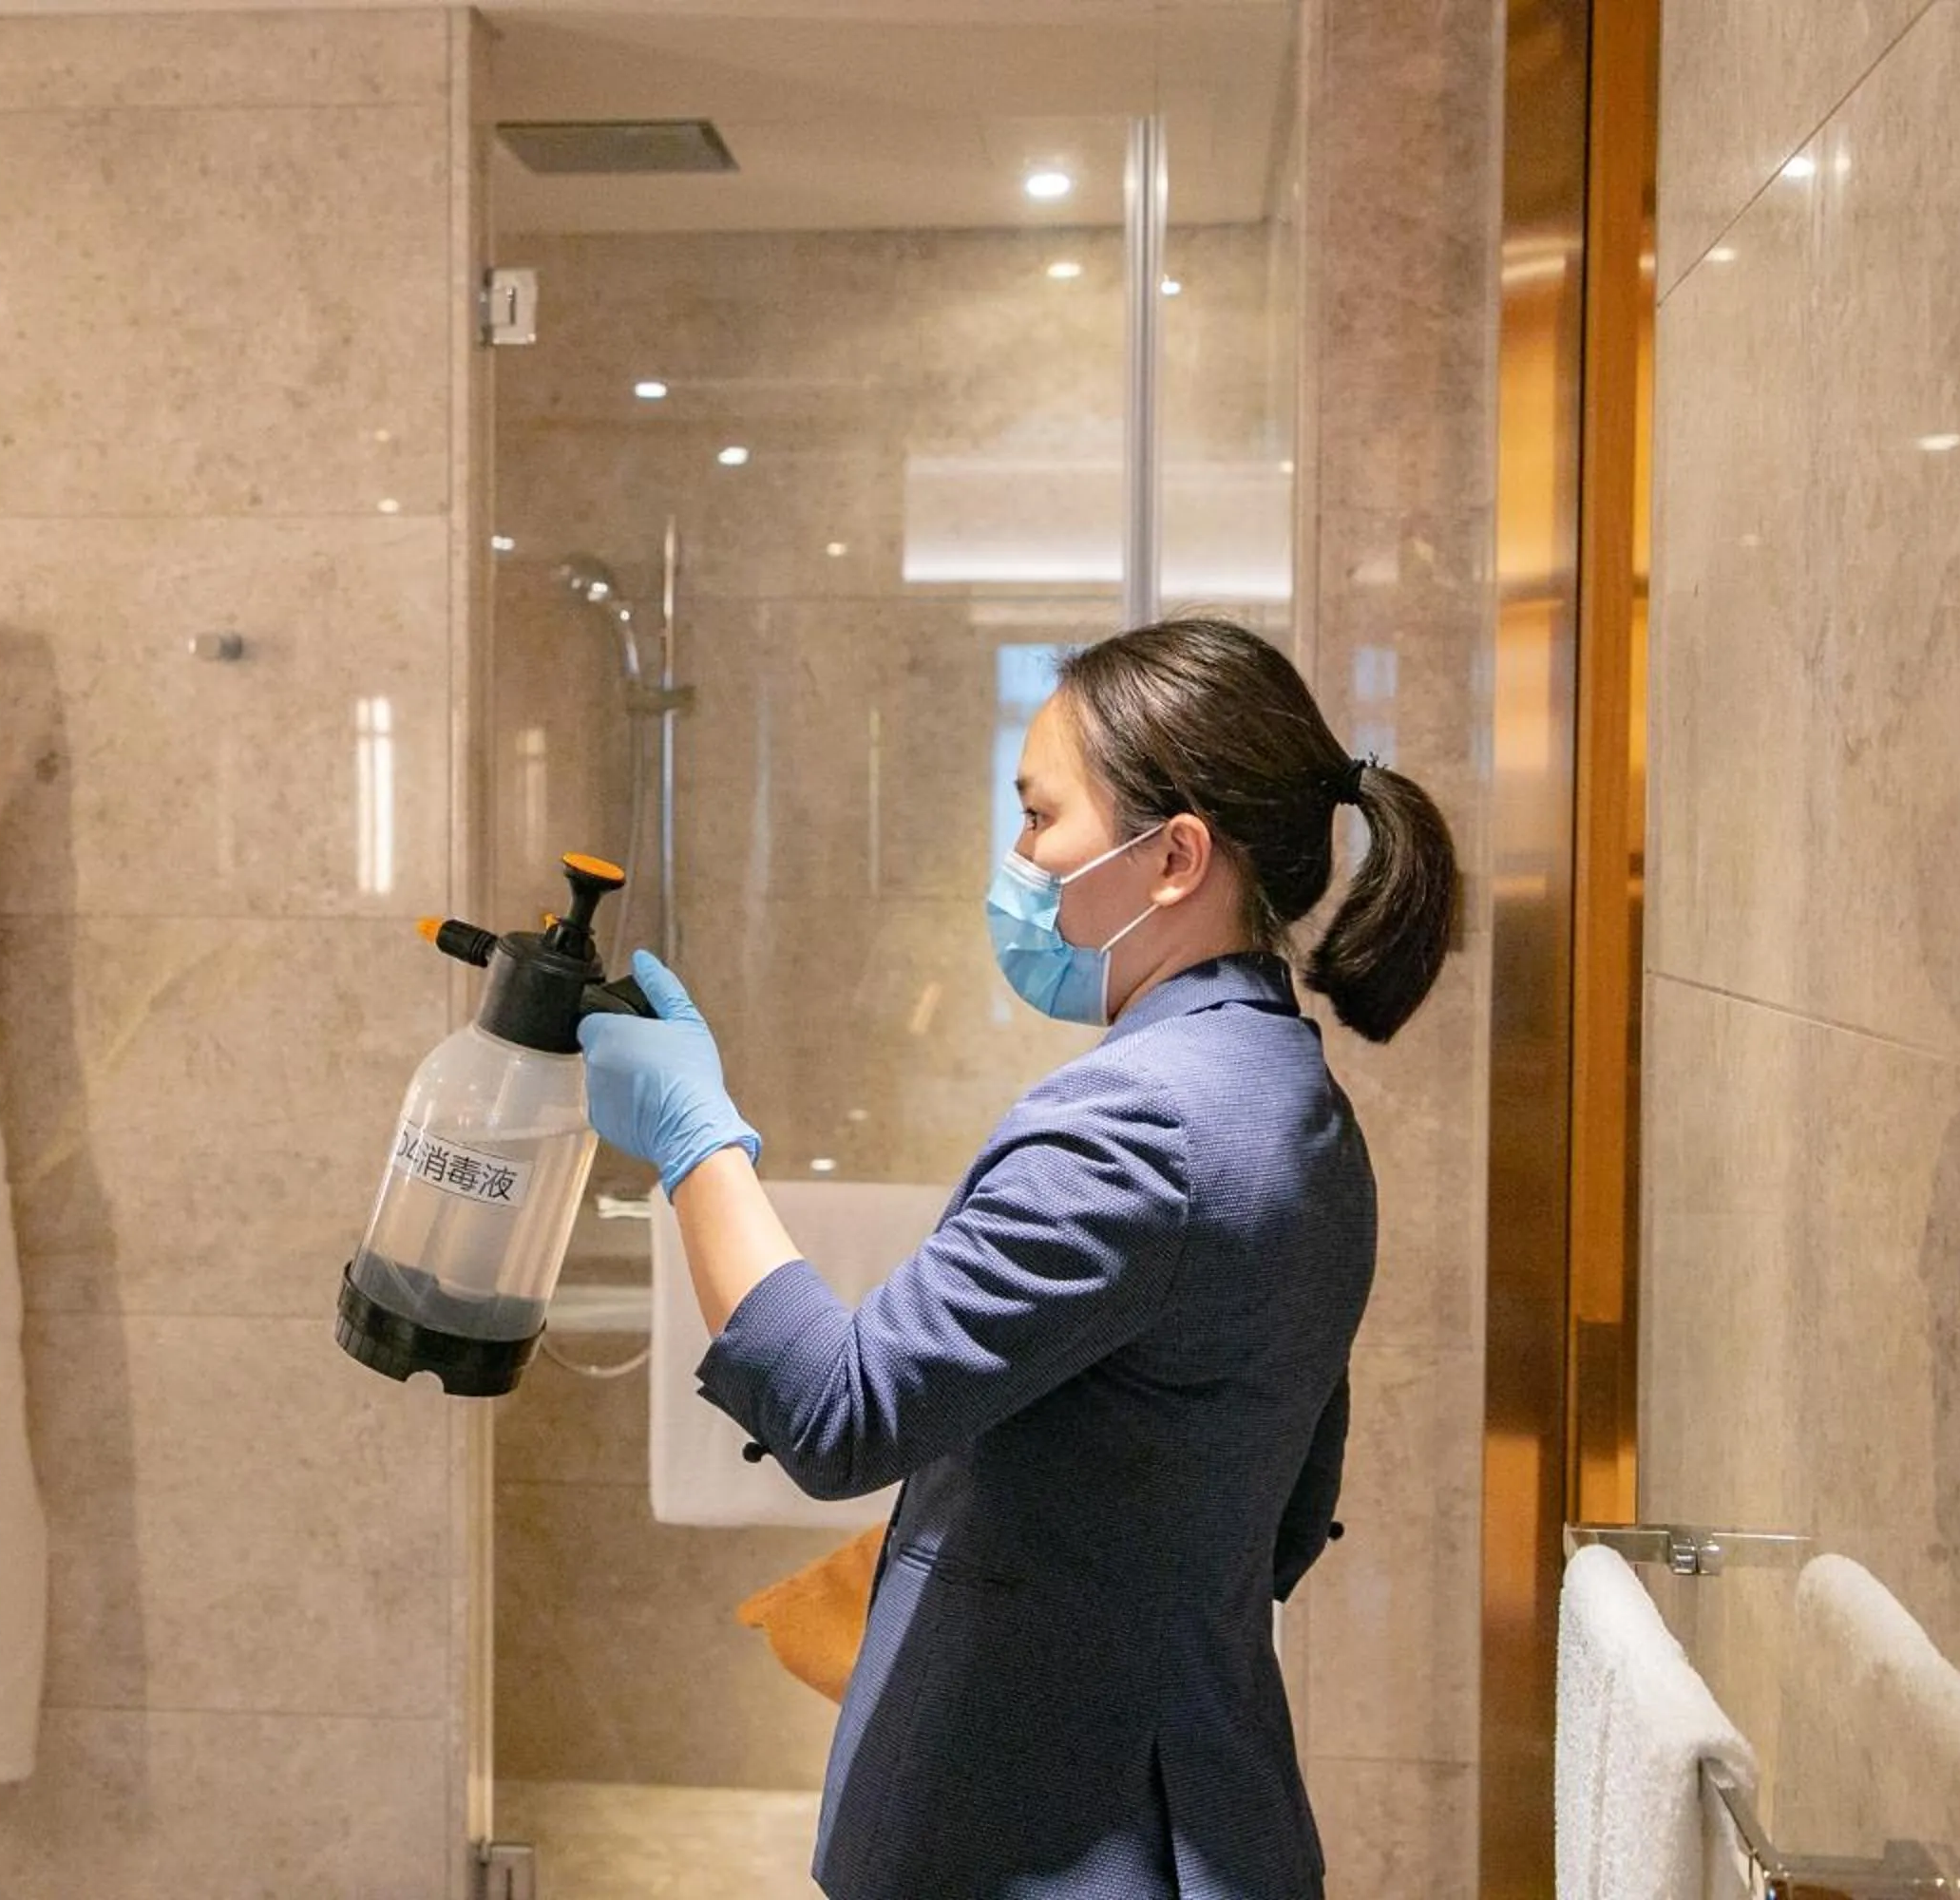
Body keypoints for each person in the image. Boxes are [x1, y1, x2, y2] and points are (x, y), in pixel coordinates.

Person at [578, 617, 1460, 1899]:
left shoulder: (1139, 1128)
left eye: (1041, 819)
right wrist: (978, 1578)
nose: (1019, 859)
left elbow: (840, 1410)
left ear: (1174, 859)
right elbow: (1270, 1499)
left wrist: (695, 1140)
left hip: (1057, 1838)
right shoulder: (1287, 1095)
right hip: (1183, 1800)